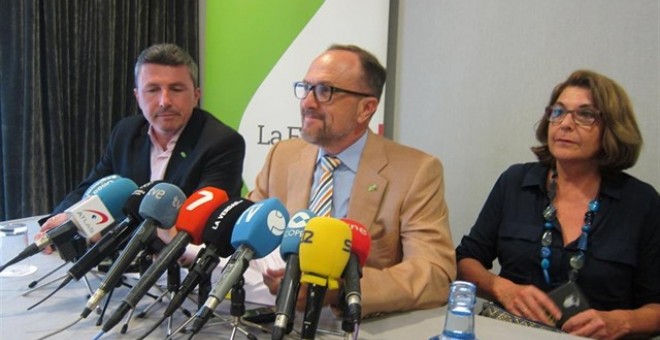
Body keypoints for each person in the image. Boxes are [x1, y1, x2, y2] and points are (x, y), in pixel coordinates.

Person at [249, 44, 456, 317]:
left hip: (354, 321)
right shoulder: (283, 156)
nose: (308, 103)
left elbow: (434, 274)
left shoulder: (416, 171)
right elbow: (249, 230)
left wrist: (341, 290)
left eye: (325, 91)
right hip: (270, 312)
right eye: (306, 88)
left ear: (366, 108)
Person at [455, 70, 660, 339]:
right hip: (510, 332)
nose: (565, 124)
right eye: (558, 112)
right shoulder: (515, 182)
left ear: (612, 127)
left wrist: (621, 321)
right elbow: (465, 260)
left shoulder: (641, 202)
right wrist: (499, 286)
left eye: (585, 115)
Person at [36, 43, 246, 252]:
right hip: (121, 261)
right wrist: (64, 219)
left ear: (196, 95)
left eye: (176, 89)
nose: (165, 101)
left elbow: (199, 224)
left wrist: (103, 232)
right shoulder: (126, 132)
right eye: (153, 90)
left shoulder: (222, 142)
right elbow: (93, 187)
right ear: (138, 96)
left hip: (180, 267)